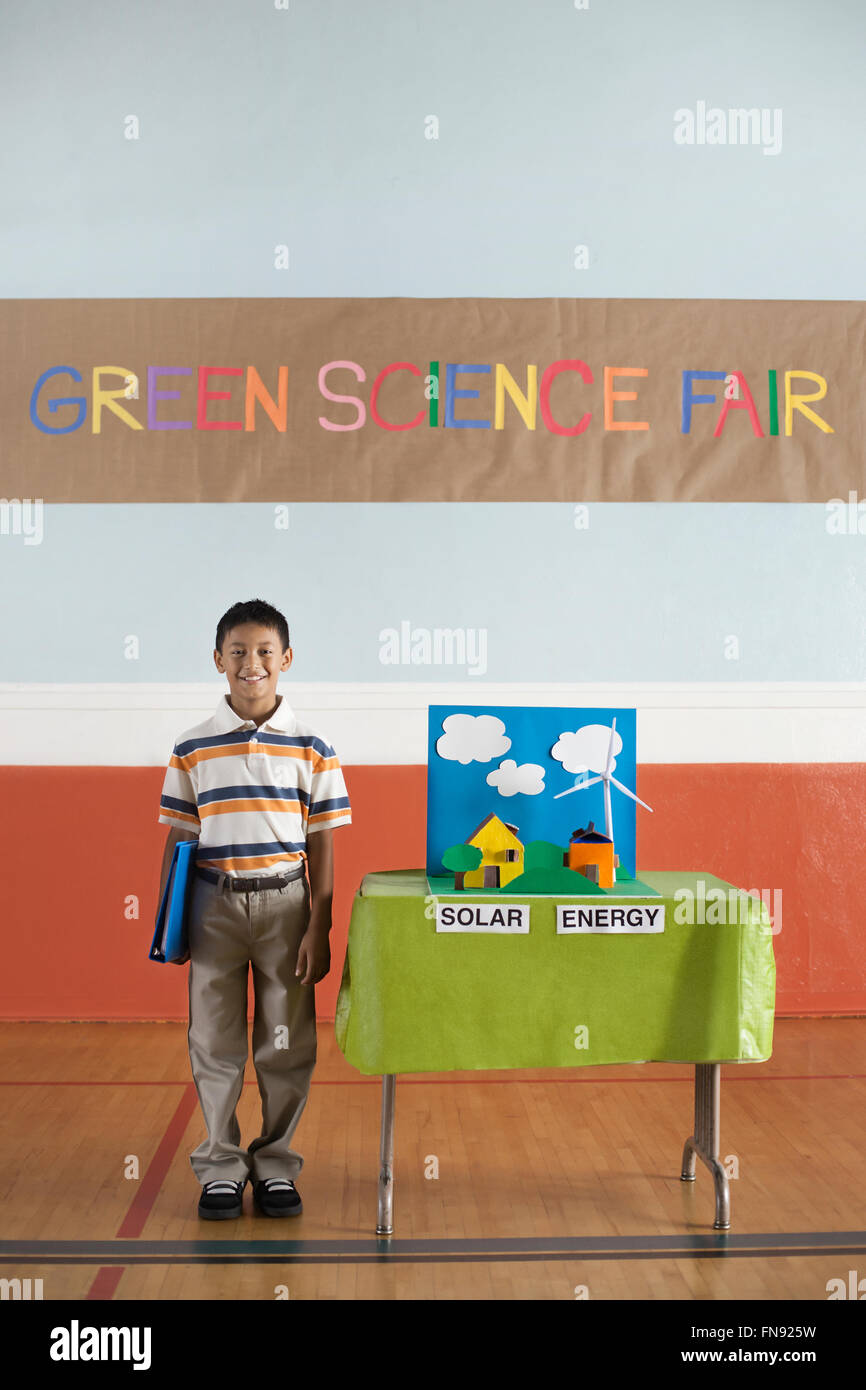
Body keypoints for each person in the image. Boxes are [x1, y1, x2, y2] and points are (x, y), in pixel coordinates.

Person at [156, 598, 351, 1220]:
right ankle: (219, 1165)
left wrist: (318, 926)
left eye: (265, 651)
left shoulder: (312, 746)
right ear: (218, 659)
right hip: (212, 903)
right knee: (214, 1039)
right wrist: (171, 917)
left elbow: (321, 841)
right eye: (238, 651)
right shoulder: (191, 745)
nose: (251, 663)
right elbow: (179, 836)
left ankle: (275, 1164)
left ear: (286, 659)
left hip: (286, 906)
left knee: (285, 1041)